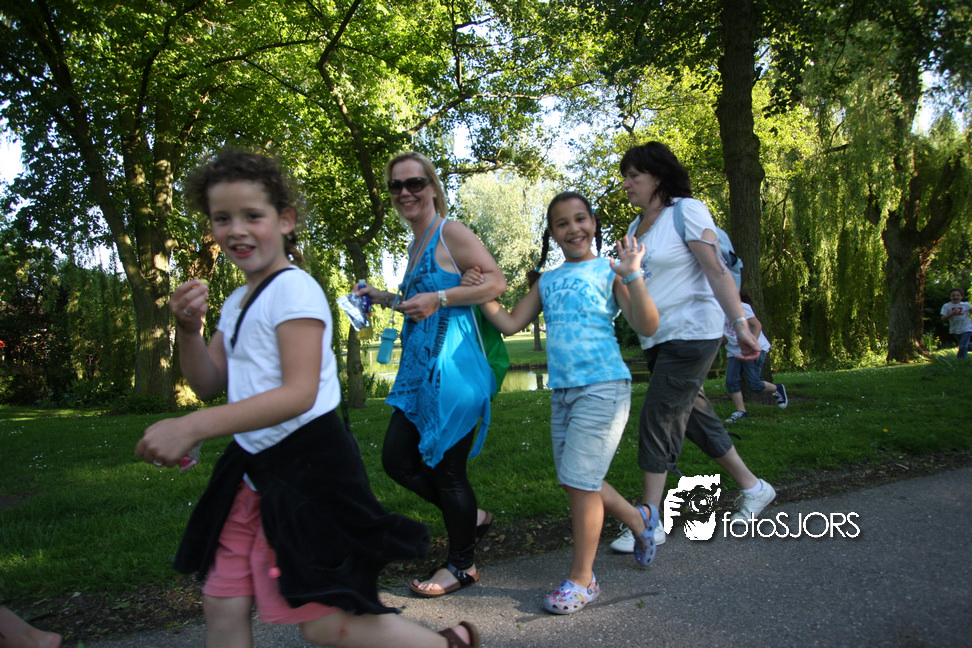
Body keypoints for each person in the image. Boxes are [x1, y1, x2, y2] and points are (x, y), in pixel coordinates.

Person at [134, 150, 479, 648]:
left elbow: (298, 394)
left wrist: (192, 426)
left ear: (285, 220)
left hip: (310, 474)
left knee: (326, 625)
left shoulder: (295, 291)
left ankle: (447, 645)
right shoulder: (236, 302)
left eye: (252, 215)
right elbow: (207, 381)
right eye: (222, 218)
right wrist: (189, 331)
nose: (237, 229)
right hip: (250, 472)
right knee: (222, 602)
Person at [468, 192, 660, 614]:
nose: (573, 228)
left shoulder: (611, 269)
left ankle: (583, 580)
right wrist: (481, 293)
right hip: (564, 392)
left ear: (593, 223)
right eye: (562, 223)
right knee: (575, 480)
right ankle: (639, 519)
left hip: (604, 386)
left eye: (580, 219)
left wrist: (633, 275)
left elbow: (647, 325)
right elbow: (509, 322)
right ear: (552, 234)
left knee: (580, 481)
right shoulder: (548, 281)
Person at [609, 142, 776, 555]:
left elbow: (716, 271)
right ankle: (754, 487)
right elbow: (634, 286)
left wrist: (741, 326)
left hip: (693, 333)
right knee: (695, 419)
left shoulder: (687, 211)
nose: (626, 183)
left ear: (658, 177)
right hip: (657, 338)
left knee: (658, 416)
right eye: (625, 176)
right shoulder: (634, 228)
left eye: (634, 176)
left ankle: (650, 520)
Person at [355, 152, 505, 598]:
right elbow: (417, 302)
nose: (405, 192)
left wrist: (441, 297)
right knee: (397, 460)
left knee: (448, 472)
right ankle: (472, 519)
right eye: (396, 185)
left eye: (415, 183)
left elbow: (496, 282)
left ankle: (462, 565)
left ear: (433, 187)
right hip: (420, 373)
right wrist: (382, 296)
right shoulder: (416, 243)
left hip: (454, 370)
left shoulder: (450, 232)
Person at [723, 289, 788, 423]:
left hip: (753, 348)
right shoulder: (716, 312)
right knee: (731, 382)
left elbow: (757, 325)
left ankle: (777, 388)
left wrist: (752, 343)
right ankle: (741, 412)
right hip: (734, 351)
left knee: (754, 385)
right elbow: (725, 335)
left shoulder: (741, 307)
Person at [940, 288, 972, 359]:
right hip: (955, 329)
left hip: (967, 328)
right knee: (966, 346)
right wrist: (951, 314)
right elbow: (943, 318)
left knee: (963, 346)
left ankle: (961, 360)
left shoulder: (966, 304)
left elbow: (971, 312)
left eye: (958, 295)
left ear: (961, 297)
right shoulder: (946, 306)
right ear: (950, 297)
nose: (955, 297)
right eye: (953, 295)